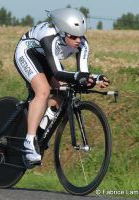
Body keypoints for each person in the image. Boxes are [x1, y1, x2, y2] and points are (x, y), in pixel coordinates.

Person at [13, 8, 110, 163]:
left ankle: (41, 129)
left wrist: (95, 79)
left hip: (47, 59)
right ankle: (29, 142)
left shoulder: (83, 44)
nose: (78, 40)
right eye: (73, 36)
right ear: (62, 32)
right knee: (43, 91)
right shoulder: (49, 37)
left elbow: (82, 75)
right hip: (27, 53)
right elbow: (57, 72)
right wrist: (79, 77)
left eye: (80, 35)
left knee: (64, 91)